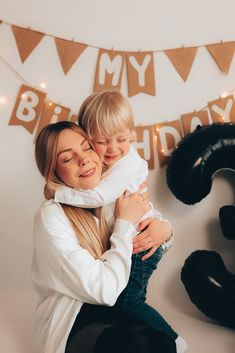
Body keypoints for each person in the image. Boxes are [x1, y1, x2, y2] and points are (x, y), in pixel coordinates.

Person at [53, 91, 187, 353]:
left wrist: (58, 192)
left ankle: (173, 341)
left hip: (140, 241)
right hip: (127, 243)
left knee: (128, 301)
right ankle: (148, 338)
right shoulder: (100, 167)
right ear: (87, 140)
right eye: (102, 141)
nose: (113, 148)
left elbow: (100, 196)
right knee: (122, 302)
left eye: (121, 139)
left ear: (132, 135)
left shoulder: (128, 165)